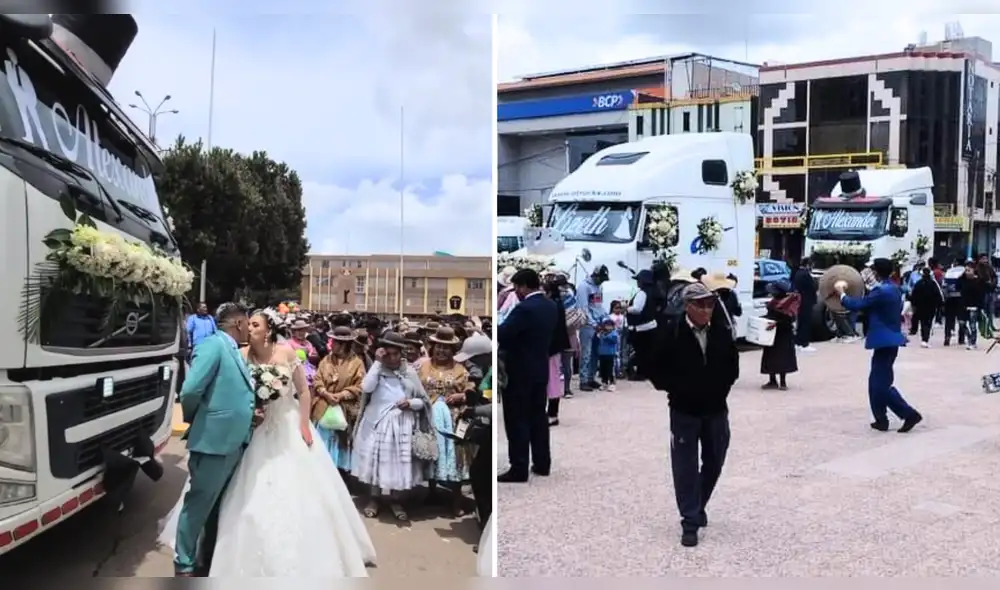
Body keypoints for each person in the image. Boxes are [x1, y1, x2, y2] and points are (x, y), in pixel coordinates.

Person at [648, 282, 739, 548]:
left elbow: (732, 367)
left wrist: (720, 388)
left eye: (710, 304)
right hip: (684, 410)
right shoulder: (671, 333)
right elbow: (654, 367)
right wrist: (676, 389)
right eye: (700, 304)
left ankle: (697, 504)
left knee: (715, 460)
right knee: (685, 466)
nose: (706, 309)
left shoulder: (721, 331)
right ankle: (690, 520)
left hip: (716, 408)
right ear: (688, 306)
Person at [172, 303, 255, 576]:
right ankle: (183, 563)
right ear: (239, 323)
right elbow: (191, 389)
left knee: (216, 506)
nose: (249, 327)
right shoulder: (213, 345)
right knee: (198, 505)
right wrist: (200, 420)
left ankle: (205, 559)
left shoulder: (233, 349)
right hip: (213, 442)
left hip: (233, 442)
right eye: (247, 322)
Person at [351, 332, 434, 521]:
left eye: (395, 354)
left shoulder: (410, 372)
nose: (391, 358)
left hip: (401, 424)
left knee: (397, 465)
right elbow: (366, 388)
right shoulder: (377, 370)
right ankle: (374, 498)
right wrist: (377, 364)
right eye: (386, 354)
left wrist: (410, 403)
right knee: (375, 462)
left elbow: (423, 401)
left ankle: (396, 500)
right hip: (376, 423)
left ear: (401, 353)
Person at [835, 258, 923, 433]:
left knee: (879, 385)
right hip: (889, 340)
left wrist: (841, 293)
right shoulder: (892, 288)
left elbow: (857, 304)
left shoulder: (882, 291)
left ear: (875, 272)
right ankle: (881, 419)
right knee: (876, 382)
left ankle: (908, 414)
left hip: (884, 340)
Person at [498, 268, 557, 483]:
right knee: (538, 418)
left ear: (524, 286)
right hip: (540, 368)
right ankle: (542, 463)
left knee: (517, 420)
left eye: (517, 287)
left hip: (519, 371)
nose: (516, 292)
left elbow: (504, 333)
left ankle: (519, 467)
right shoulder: (550, 306)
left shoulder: (524, 309)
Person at [417, 326, 471, 516]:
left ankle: (456, 500)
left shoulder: (460, 370)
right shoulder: (422, 366)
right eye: (438, 346)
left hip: (453, 420)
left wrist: (460, 396)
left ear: (453, 350)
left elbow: (470, 390)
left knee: (454, 458)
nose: (441, 351)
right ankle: (432, 492)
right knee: (431, 454)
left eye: (446, 348)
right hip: (427, 417)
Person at [312, 326, 366, 476]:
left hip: (344, 409)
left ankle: (340, 473)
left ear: (343, 344)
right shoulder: (326, 360)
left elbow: (360, 385)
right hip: (324, 405)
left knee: (340, 441)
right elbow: (317, 379)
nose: (331, 344)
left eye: (334, 342)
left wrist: (342, 395)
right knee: (322, 441)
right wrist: (325, 393)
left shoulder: (357, 363)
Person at [760, 279, 800, 390]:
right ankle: (772, 380)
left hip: (783, 334)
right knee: (771, 357)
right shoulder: (775, 302)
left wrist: (776, 324)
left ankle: (782, 382)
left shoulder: (789, 303)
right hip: (772, 334)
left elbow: (790, 319)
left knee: (782, 358)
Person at [543, 274, 572, 426]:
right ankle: (550, 412)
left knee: (553, 380)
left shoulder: (552, 305)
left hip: (552, 347)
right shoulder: (557, 303)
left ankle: (553, 414)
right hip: (554, 346)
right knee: (551, 379)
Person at [576, 265, 609, 391]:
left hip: (598, 323)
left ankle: (591, 377)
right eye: (601, 278)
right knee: (586, 352)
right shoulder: (584, 287)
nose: (602, 281)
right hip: (587, 324)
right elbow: (583, 308)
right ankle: (583, 380)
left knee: (596, 352)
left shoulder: (599, 287)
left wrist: (605, 319)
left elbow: (599, 305)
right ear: (595, 275)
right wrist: (593, 323)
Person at [625, 269, 659, 380]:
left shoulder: (642, 293)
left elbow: (637, 309)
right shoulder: (654, 292)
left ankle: (634, 371)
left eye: (639, 280)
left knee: (640, 351)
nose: (637, 282)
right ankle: (643, 372)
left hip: (641, 328)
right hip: (651, 325)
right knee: (646, 351)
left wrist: (626, 308)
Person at [910, 267, 944, 348]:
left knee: (922, 322)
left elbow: (913, 295)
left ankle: (923, 338)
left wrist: (914, 305)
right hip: (931, 307)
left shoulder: (918, 283)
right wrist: (940, 305)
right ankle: (925, 339)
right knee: (928, 323)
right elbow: (938, 295)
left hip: (920, 307)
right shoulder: (933, 283)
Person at [957, 262, 986, 350]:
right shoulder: (962, 280)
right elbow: (957, 287)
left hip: (974, 306)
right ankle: (969, 337)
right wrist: (961, 276)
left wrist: (980, 307)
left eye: (969, 270)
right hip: (963, 305)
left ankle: (972, 342)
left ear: (974, 270)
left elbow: (981, 295)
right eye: (965, 270)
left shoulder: (979, 281)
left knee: (973, 325)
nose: (967, 272)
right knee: (962, 323)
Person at [792, 257, 817, 352]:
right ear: (808, 265)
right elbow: (813, 287)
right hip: (806, 301)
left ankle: (798, 342)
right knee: (805, 323)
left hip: (799, 301)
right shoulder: (806, 275)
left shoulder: (797, 273)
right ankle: (804, 344)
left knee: (801, 322)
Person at [595, 318, 619, 391]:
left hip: (610, 354)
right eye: (606, 326)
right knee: (603, 369)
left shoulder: (614, 333)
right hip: (602, 354)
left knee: (610, 369)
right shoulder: (601, 333)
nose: (608, 327)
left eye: (610, 326)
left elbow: (614, 340)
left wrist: (606, 336)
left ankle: (612, 383)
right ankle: (604, 382)